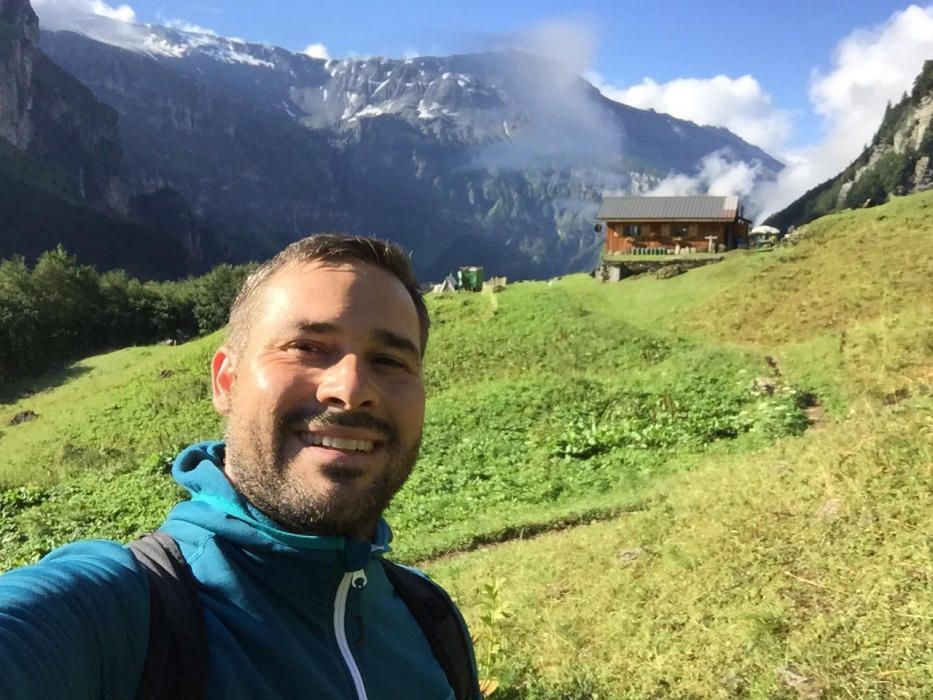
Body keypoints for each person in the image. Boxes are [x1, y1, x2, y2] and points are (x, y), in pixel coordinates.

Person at [0, 234, 481, 699]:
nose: (351, 388)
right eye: (307, 347)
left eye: (390, 360)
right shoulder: (118, 616)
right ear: (226, 382)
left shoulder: (431, 623)